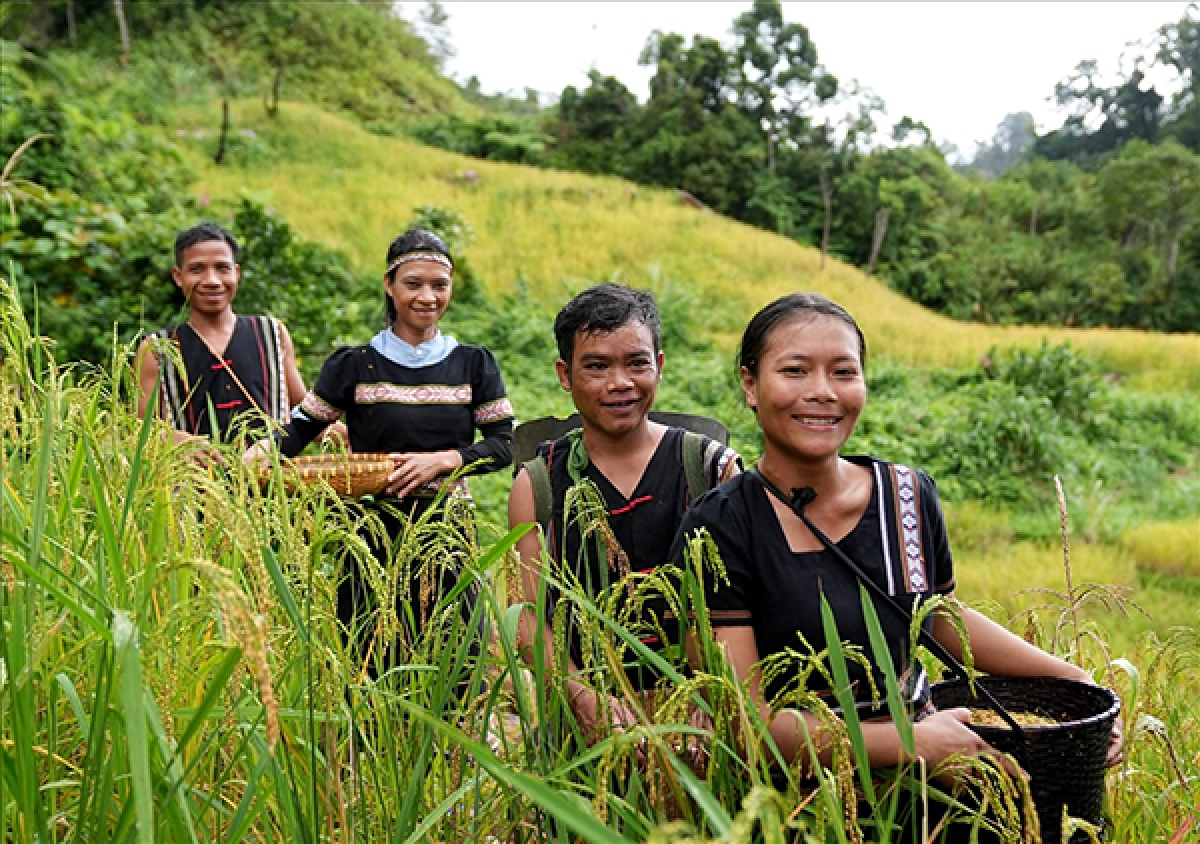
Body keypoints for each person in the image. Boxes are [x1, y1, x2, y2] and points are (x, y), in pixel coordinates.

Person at [669, 292, 1122, 840]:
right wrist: (909, 744)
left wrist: (1074, 680)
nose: (822, 391)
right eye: (794, 370)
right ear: (750, 384)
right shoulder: (719, 527)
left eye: (843, 371)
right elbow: (746, 724)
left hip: (930, 798)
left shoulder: (907, 495)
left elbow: (937, 618)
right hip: (801, 809)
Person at [246, 228, 514, 664]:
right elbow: (299, 430)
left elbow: (505, 445)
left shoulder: (473, 364)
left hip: (444, 531)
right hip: (370, 531)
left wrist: (445, 461)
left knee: (453, 652)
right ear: (389, 286)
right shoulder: (354, 365)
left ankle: (451, 730)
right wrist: (252, 460)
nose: (427, 296)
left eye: (439, 285)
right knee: (372, 652)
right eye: (414, 284)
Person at [508, 283, 740, 738]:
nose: (619, 384)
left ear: (660, 366)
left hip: (703, 723)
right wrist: (582, 697)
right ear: (564, 374)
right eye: (596, 366)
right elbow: (529, 616)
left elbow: (739, 608)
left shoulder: (711, 469)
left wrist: (705, 691)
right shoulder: (538, 485)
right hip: (581, 730)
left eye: (637, 363)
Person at [137, 223, 309, 445]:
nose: (211, 281)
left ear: (236, 273)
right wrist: (180, 442)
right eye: (197, 269)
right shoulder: (156, 350)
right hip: (192, 479)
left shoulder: (272, 334)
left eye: (222, 268)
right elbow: (139, 433)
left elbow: (305, 415)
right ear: (178, 277)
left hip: (273, 477)